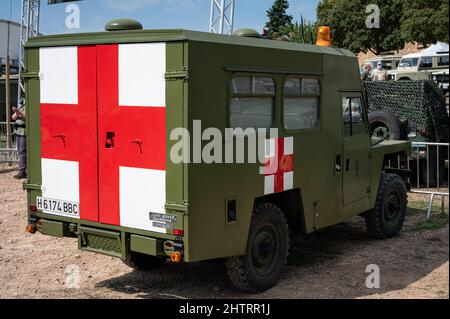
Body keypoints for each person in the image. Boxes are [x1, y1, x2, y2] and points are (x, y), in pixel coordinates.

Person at [12, 99, 27, 179]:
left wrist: (19, 112)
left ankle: (22, 171)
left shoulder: (28, 106)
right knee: (19, 151)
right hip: (18, 131)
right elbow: (13, 117)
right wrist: (17, 112)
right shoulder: (21, 106)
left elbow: (26, 116)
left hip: (24, 132)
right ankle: (22, 170)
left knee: (22, 151)